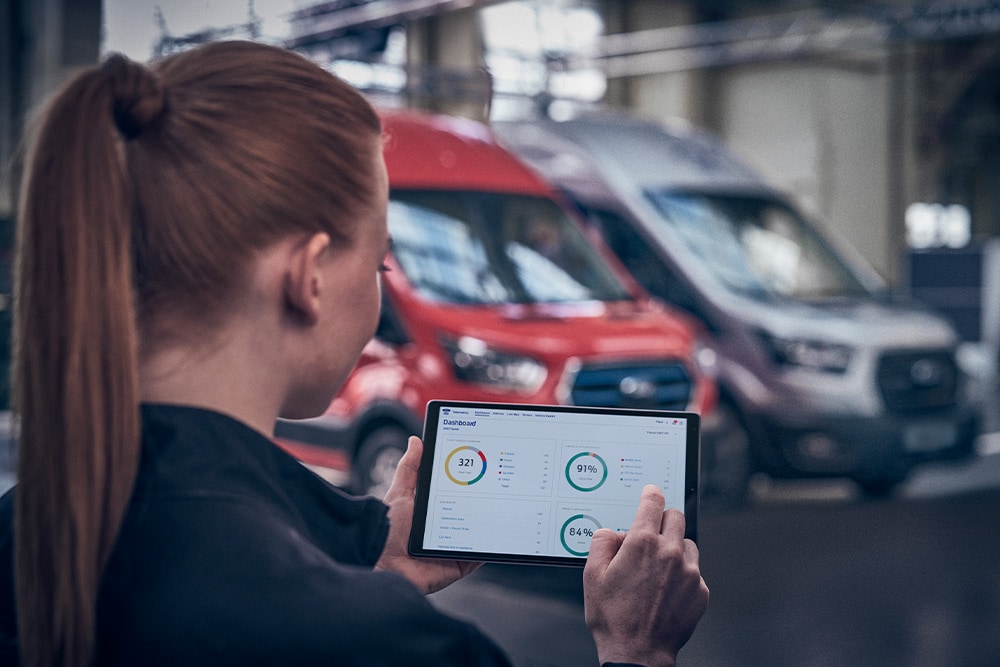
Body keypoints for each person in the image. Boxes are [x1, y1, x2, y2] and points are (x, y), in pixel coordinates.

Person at [0, 40, 708, 666]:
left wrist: (380, 567)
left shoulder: (21, 535)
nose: (378, 290)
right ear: (307, 278)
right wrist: (635, 649)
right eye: (379, 264)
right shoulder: (383, 642)